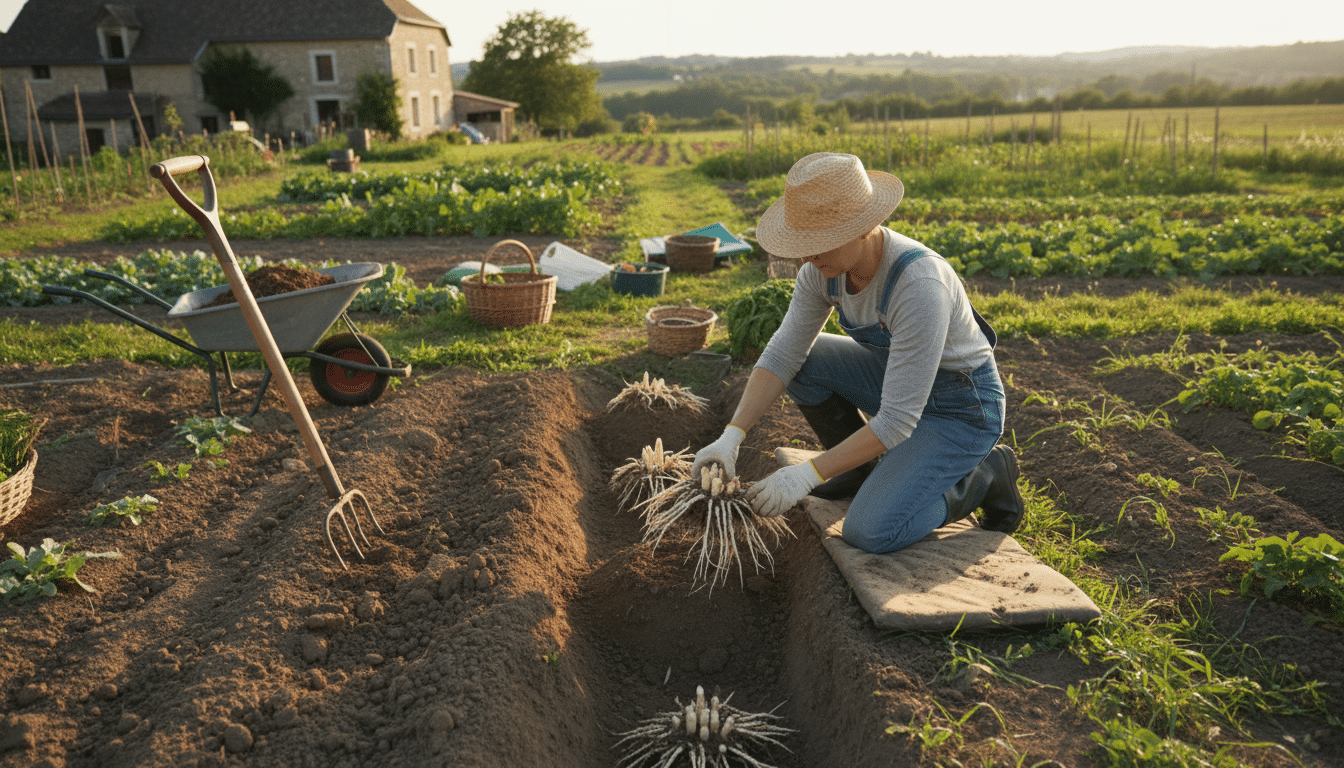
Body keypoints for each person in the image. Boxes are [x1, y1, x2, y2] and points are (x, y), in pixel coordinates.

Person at [691, 152, 1025, 554]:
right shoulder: (821, 271)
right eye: (803, 244)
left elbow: (898, 420)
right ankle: (859, 470)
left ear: (865, 227)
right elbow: (783, 354)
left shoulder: (918, 284)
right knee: (804, 362)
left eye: (819, 243)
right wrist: (732, 434)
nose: (807, 256)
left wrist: (806, 476)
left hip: (960, 406)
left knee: (870, 531)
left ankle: (983, 477)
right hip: (896, 380)